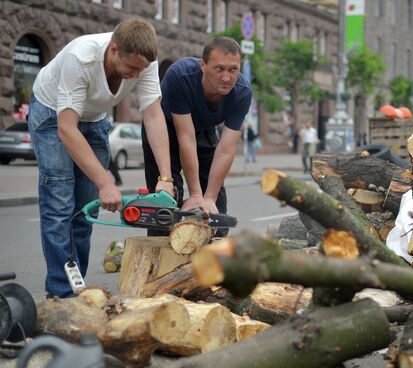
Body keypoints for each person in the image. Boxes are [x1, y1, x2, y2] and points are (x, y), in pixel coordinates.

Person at [28, 18, 174, 298]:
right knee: (60, 206)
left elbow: (154, 115)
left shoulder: (145, 61)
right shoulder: (80, 57)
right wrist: (105, 181)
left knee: (86, 210)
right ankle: (61, 295)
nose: (136, 74)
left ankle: (78, 288)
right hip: (51, 113)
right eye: (131, 67)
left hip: (94, 118)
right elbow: (66, 128)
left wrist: (165, 178)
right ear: (113, 49)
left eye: (141, 69)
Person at [141, 37, 252, 236]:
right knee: (165, 207)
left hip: (202, 130)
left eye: (233, 70)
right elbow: (186, 137)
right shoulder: (181, 75)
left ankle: (206, 263)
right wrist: (195, 194)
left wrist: (208, 197)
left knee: (216, 213)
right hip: (165, 131)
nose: (227, 77)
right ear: (203, 65)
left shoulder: (242, 93)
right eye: (219, 69)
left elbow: (226, 148)